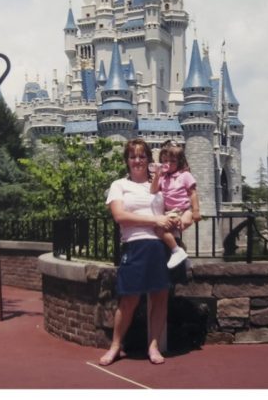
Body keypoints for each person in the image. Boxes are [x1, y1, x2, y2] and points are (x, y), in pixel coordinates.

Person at [99, 139, 175, 366]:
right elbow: (120, 216)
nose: (138, 160)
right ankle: (115, 346)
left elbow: (173, 209)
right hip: (134, 246)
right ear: (127, 161)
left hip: (159, 246)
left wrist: (177, 218)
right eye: (133, 156)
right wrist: (154, 219)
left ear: (149, 160)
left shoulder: (159, 185)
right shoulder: (119, 185)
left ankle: (152, 346)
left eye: (142, 156)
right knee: (128, 300)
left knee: (160, 297)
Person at [150, 143, 201, 269]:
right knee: (169, 234)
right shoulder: (163, 178)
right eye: (165, 160)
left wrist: (195, 211)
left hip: (184, 210)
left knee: (160, 230)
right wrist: (157, 175)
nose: (169, 163)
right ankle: (183, 258)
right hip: (170, 212)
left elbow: (193, 193)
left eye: (173, 161)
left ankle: (177, 252)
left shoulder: (185, 175)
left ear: (179, 162)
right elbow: (153, 190)